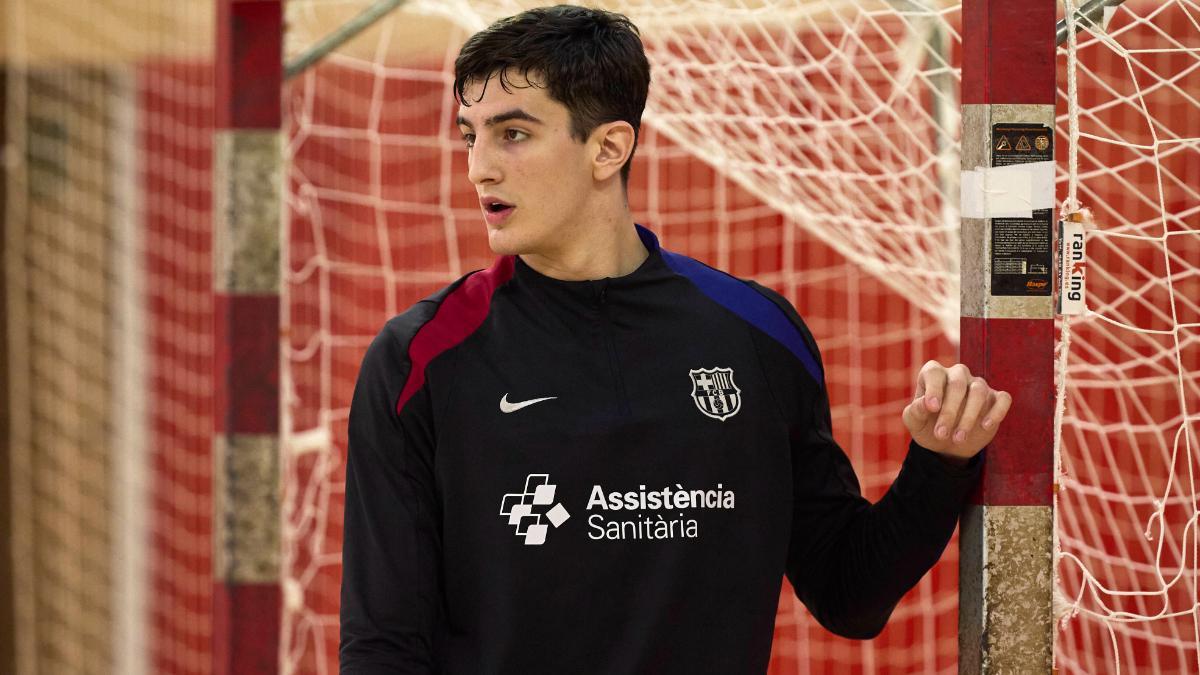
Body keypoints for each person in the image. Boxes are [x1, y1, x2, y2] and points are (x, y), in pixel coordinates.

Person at [338, 5, 1012, 674]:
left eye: (512, 134)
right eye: (470, 135)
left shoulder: (758, 335)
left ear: (608, 148)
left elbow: (849, 595)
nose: (479, 167)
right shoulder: (421, 359)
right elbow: (383, 644)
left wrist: (938, 462)